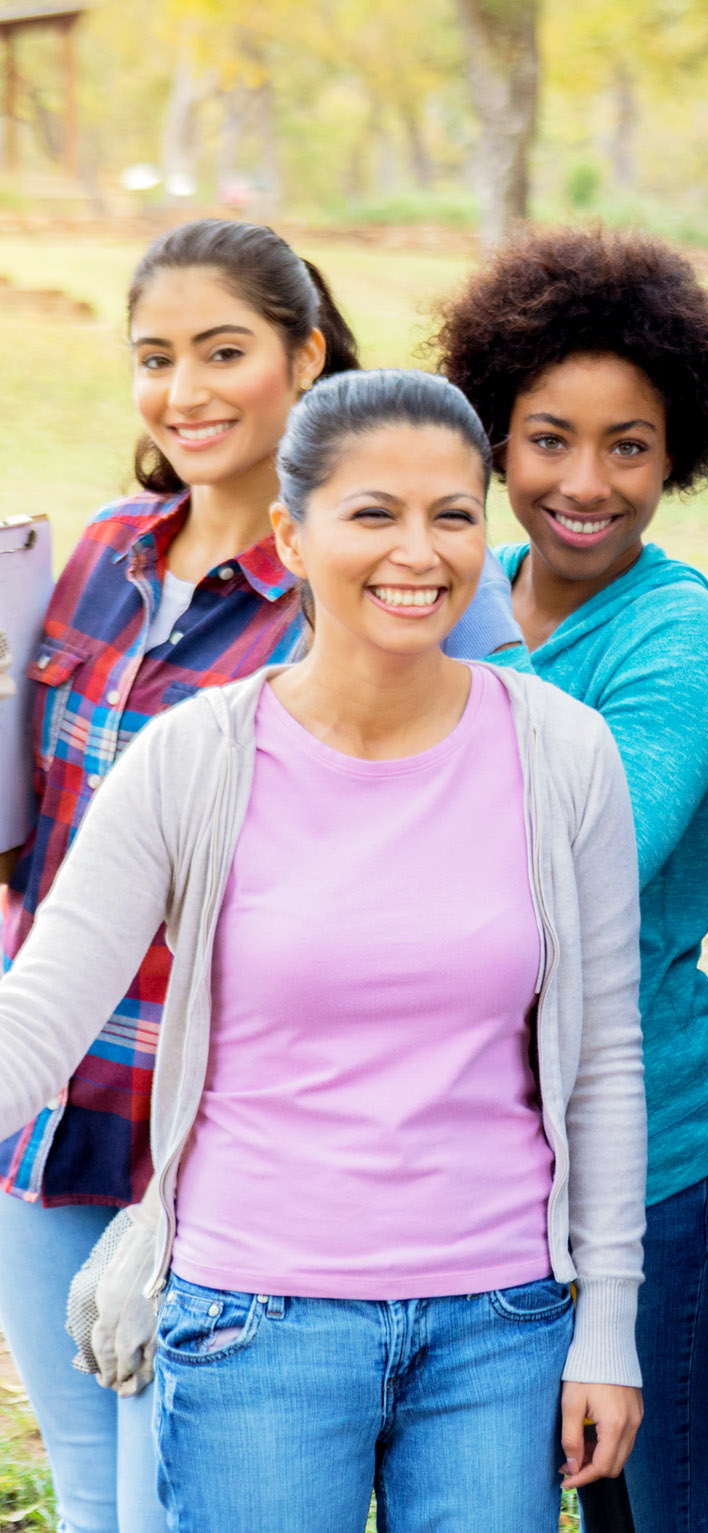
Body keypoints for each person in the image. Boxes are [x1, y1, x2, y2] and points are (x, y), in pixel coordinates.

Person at [0, 368, 645, 1531]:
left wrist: (605, 1327)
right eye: (374, 514)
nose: (420, 551)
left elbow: (601, 1057)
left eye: (453, 515)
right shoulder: (196, 759)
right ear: (293, 539)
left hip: (497, 1326)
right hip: (254, 1322)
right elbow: (37, 1020)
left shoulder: (562, 754)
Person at [429, 226, 708, 1533]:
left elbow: (577, 858)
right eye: (546, 437)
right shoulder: (475, 585)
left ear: (677, 447)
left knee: (646, 1517)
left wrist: (438, 655)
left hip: (659, 1171)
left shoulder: (682, 638)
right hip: (483, 1174)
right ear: (494, 439)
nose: (585, 481)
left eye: (628, 443)